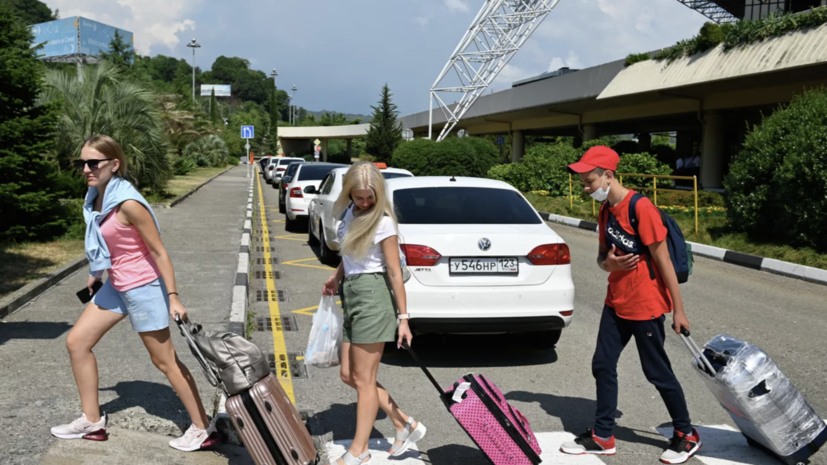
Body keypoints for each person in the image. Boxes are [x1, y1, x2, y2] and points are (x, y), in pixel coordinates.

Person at [51, 135, 219, 452]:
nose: (85, 169)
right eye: (81, 163)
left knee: (164, 360)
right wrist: (96, 272)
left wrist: (173, 296)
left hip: (144, 287)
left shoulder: (128, 203)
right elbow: (108, 243)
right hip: (116, 284)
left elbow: (158, 253)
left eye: (92, 163)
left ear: (114, 164)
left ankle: (203, 428)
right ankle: (92, 420)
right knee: (77, 343)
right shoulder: (96, 196)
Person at [560, 146, 701, 464]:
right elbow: (601, 258)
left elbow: (663, 261)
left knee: (657, 372)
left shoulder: (641, 208)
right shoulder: (605, 212)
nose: (586, 188)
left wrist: (678, 310)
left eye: (590, 181)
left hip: (646, 305)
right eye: (583, 182)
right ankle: (603, 435)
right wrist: (609, 265)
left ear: (608, 176)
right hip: (616, 302)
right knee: (602, 364)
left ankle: (686, 434)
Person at [322, 161, 426, 465]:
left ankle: (360, 450)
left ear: (379, 195)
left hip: (373, 298)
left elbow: (394, 272)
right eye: (358, 197)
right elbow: (352, 255)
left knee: (365, 379)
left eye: (370, 198)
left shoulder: (383, 223)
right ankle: (404, 423)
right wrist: (337, 277)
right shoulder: (349, 214)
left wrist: (403, 319)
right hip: (351, 294)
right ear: (349, 194)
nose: (364, 203)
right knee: (348, 374)